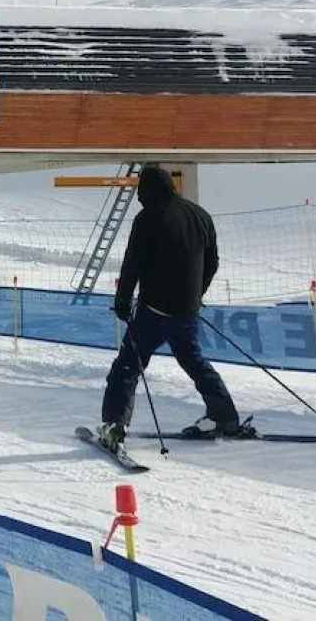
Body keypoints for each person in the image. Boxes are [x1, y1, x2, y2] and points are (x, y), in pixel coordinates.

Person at [97, 165, 246, 449]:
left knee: (129, 365)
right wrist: (195, 295)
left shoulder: (147, 218)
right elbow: (212, 262)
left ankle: (114, 425)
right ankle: (225, 417)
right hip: (187, 311)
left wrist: (123, 300)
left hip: (154, 309)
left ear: (148, 189)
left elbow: (133, 263)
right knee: (195, 362)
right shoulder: (200, 215)